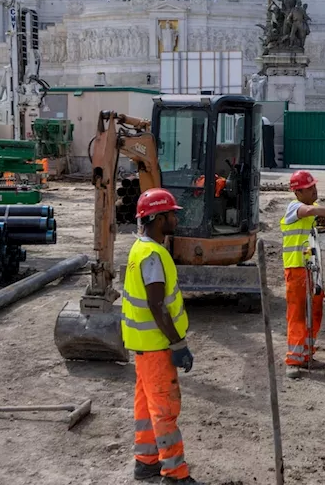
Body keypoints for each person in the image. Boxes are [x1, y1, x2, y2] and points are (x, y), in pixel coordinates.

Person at [122, 188, 200, 484]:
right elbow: (156, 304)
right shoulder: (153, 255)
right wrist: (178, 344)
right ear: (157, 218)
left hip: (143, 347)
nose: (175, 219)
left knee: (146, 407)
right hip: (156, 347)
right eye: (171, 214)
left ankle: (146, 462)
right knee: (165, 410)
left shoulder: (138, 249)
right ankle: (175, 474)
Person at [280, 169, 325, 379]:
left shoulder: (312, 209)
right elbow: (311, 213)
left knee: (314, 313)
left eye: (314, 186)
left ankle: (307, 355)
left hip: (314, 271)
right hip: (296, 269)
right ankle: (293, 360)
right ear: (297, 193)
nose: (314, 190)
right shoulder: (295, 208)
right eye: (309, 188)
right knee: (297, 315)